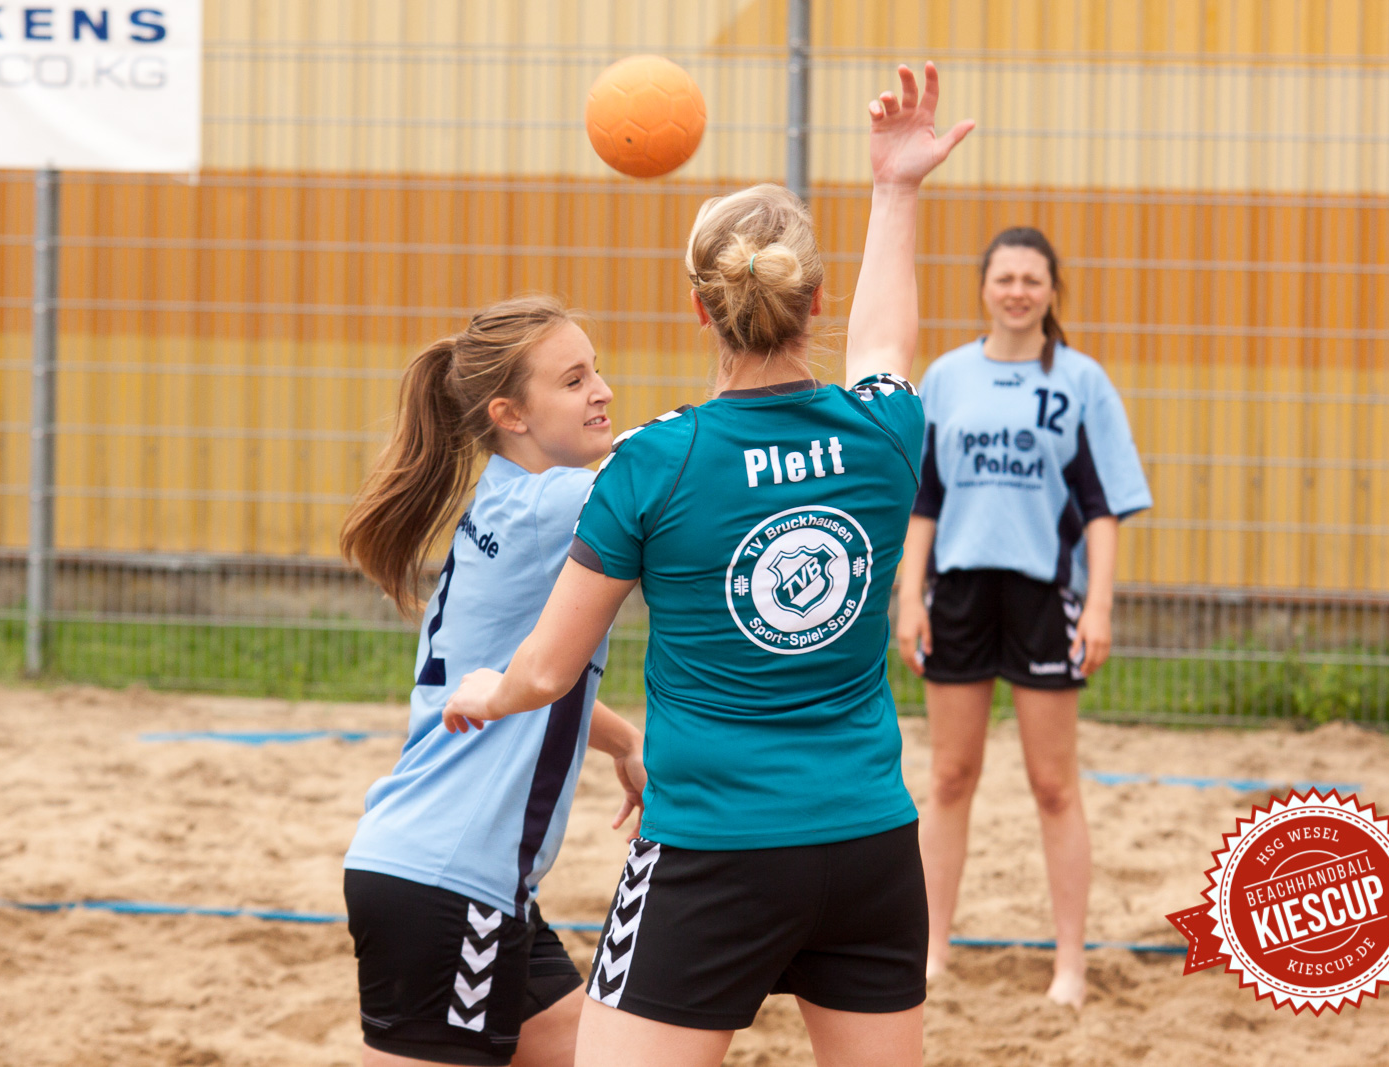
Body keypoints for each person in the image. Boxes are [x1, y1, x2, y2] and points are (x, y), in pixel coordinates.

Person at [442, 64, 974, 1067]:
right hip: (867, 843)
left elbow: (548, 669)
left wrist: (488, 687)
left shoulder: (652, 462)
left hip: (711, 851)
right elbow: (888, 343)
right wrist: (896, 188)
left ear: (700, 310)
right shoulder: (885, 431)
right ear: (811, 298)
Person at [337, 296, 648, 1067]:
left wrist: (622, 739)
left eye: (596, 369)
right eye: (574, 380)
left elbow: (527, 677)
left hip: (468, 882)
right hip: (450, 881)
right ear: (509, 412)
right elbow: (663, 456)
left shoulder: (511, 502)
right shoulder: (557, 505)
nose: (602, 390)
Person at [893, 227, 1152, 1007]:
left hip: (1046, 594)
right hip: (961, 593)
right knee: (947, 775)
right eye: (1003, 276)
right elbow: (925, 498)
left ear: (1050, 289)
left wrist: (1098, 605)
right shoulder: (946, 377)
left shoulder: (1080, 381)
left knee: (1052, 784)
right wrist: (910, 595)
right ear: (983, 286)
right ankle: (934, 948)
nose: (1016, 290)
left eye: (1030, 278)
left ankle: (1069, 962)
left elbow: (1104, 509)